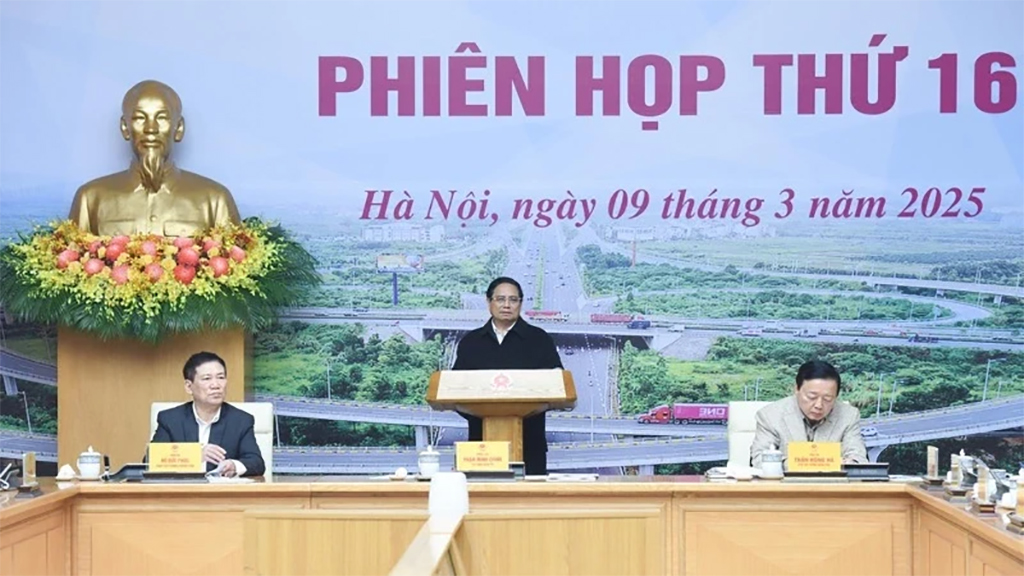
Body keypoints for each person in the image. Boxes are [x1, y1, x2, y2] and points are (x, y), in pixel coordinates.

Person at [69, 80, 241, 236]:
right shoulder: (91, 199)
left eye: (162, 118)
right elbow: (69, 263)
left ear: (179, 128)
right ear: (125, 127)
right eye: (139, 118)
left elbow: (237, 264)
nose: (151, 128)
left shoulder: (214, 200)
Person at [452, 277, 563, 475]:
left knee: (527, 504)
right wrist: (484, 412)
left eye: (513, 300)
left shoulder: (539, 339)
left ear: (520, 303)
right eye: (500, 299)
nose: (506, 305)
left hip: (530, 444)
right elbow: (454, 391)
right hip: (481, 449)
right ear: (489, 302)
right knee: (484, 503)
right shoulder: (471, 342)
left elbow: (557, 385)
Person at [149, 351, 265, 477]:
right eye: (207, 379)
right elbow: (151, 461)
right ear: (189, 386)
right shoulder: (170, 419)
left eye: (221, 377)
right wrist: (194, 456)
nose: (216, 385)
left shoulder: (241, 420)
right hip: (182, 493)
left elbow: (257, 463)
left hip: (221, 494)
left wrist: (234, 465)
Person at [749, 360, 867, 468]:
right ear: (797, 389)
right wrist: (804, 463)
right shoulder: (770, 415)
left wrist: (849, 463)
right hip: (785, 488)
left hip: (832, 488)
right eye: (812, 397)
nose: (819, 405)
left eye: (827, 398)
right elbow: (760, 459)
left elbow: (858, 459)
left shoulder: (849, 415)